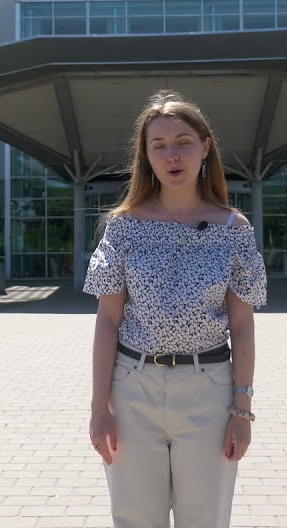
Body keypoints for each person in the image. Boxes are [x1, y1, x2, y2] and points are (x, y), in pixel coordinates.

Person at [84, 90, 268, 528]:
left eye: (183, 141)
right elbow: (108, 321)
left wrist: (241, 411)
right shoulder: (123, 226)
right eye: (159, 146)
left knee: (204, 518)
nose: (173, 155)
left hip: (209, 388)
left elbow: (242, 326)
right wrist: (98, 407)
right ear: (146, 157)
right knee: (135, 518)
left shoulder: (232, 228)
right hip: (133, 389)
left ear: (206, 148)